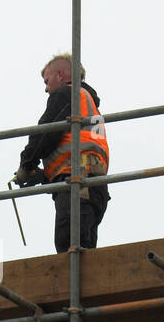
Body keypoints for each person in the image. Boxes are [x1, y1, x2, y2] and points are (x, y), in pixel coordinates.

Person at [14, 53, 111, 253]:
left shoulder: (67, 94)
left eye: (47, 80)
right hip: (94, 187)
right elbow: (72, 147)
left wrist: (26, 163)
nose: (46, 88)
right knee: (85, 254)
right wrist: (43, 175)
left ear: (61, 75)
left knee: (69, 250)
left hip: (77, 183)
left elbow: (46, 132)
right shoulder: (88, 104)